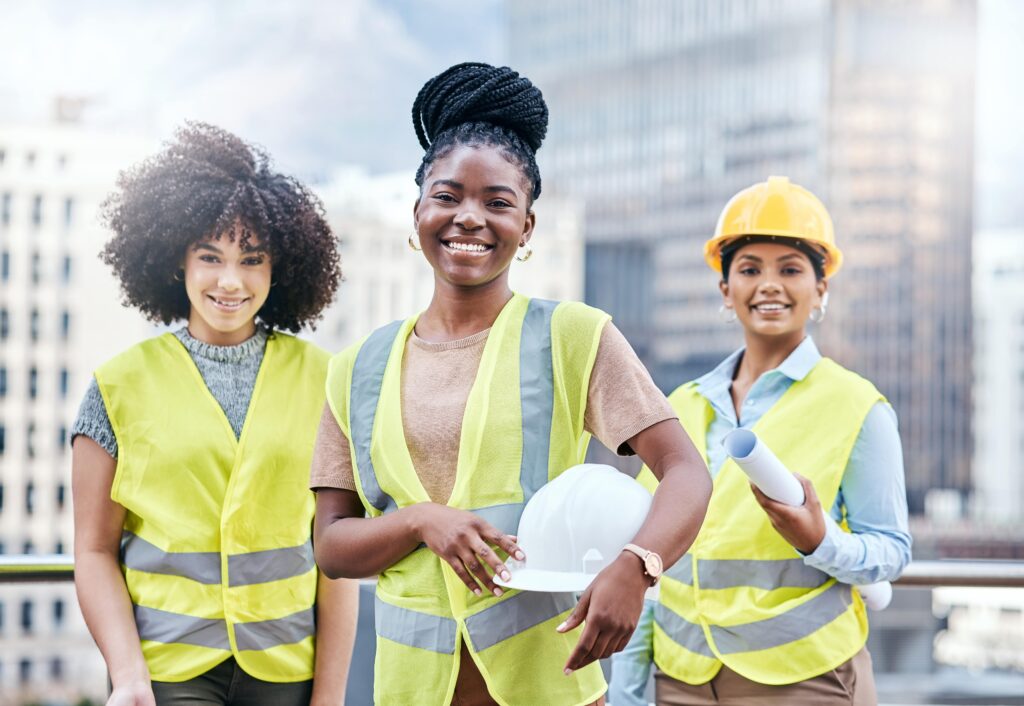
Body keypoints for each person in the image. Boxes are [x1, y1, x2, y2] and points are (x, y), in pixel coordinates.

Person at [311, 62, 712, 706]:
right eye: (447, 196)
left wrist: (637, 567)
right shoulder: (355, 367)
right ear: (417, 212)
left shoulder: (572, 336)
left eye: (498, 202)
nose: (469, 217)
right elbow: (331, 546)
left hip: (547, 686)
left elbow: (687, 472)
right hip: (411, 692)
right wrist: (419, 522)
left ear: (526, 228)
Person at [71, 123, 358, 706]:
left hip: (287, 672)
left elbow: (334, 557)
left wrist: (328, 698)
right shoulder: (116, 386)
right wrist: (128, 677)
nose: (231, 280)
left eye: (252, 259)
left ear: (281, 268)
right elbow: (94, 549)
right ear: (177, 259)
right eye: (211, 256)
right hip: (164, 676)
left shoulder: (327, 382)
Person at [609, 176, 912, 705]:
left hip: (806, 680)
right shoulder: (679, 406)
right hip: (681, 680)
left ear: (821, 289)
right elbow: (647, 556)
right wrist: (631, 692)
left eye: (790, 270)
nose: (768, 284)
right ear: (726, 290)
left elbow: (890, 551)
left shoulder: (858, 407)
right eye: (749, 269)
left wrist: (820, 541)